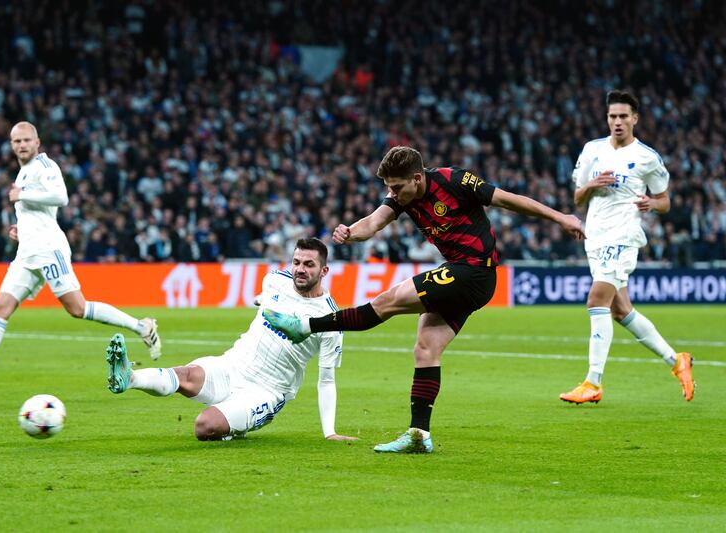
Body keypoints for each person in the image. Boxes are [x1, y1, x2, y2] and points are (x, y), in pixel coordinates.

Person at [264, 146, 585, 453]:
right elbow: (373, 222)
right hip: (463, 276)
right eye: (389, 187)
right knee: (426, 348)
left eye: (397, 187)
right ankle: (419, 434)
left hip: (473, 271)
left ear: (417, 178)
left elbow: (509, 200)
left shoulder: (455, 181)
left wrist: (561, 218)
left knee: (386, 302)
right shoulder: (401, 197)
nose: (393, 193)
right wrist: (350, 232)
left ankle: (305, 326)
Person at [0, 121, 161, 391]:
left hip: (48, 249)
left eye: (26, 140)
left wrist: (24, 194)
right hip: (27, 251)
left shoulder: (45, 166)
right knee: (0, 308)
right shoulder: (23, 173)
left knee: (78, 308)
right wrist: (22, 230)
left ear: (37, 142)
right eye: (16, 141)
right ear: (11, 145)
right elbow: (39, 212)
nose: (22, 145)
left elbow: (61, 197)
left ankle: (142, 327)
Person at [106, 238, 356, 442]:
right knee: (186, 375)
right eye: (297, 262)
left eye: (309, 264)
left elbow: (326, 381)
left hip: (265, 391)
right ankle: (129, 378)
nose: (300, 269)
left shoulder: (330, 319)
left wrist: (329, 432)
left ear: (324, 271)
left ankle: (236, 426)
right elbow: (264, 295)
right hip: (232, 365)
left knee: (205, 426)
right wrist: (260, 299)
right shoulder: (276, 281)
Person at [559, 90, 694, 405]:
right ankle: (677, 361)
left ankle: (593, 383)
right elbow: (578, 197)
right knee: (621, 310)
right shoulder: (592, 150)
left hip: (624, 236)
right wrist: (591, 185)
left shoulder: (647, 157)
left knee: (597, 300)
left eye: (623, 116)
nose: (617, 122)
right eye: (612, 116)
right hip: (596, 236)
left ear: (635, 118)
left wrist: (651, 202)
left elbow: (665, 201)